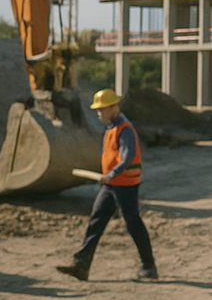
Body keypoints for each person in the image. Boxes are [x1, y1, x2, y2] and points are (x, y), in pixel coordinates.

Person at [56, 87, 158, 282]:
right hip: (111, 185)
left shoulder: (125, 129)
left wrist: (112, 173)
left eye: (102, 109)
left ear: (113, 107)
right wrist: (110, 176)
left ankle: (149, 266)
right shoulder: (112, 128)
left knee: (133, 223)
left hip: (125, 185)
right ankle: (81, 265)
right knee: (96, 221)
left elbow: (127, 157)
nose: (99, 112)